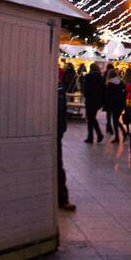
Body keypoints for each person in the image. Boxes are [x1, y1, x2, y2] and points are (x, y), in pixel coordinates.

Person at [57, 69, 76, 212]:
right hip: (51, 131)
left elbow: (62, 111)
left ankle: (63, 198)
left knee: (58, 166)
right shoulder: (58, 89)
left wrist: (62, 128)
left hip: (56, 132)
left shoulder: (60, 89)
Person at [82, 63, 105, 143]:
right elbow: (103, 90)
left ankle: (91, 136)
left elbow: (85, 89)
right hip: (97, 101)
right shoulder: (101, 78)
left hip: (90, 100)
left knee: (90, 118)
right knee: (92, 118)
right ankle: (98, 135)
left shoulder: (88, 77)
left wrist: (85, 95)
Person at [104, 67, 127, 142]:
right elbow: (125, 89)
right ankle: (120, 135)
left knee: (115, 120)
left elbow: (108, 95)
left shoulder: (110, 83)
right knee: (115, 120)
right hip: (120, 103)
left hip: (113, 104)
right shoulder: (120, 81)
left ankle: (121, 134)